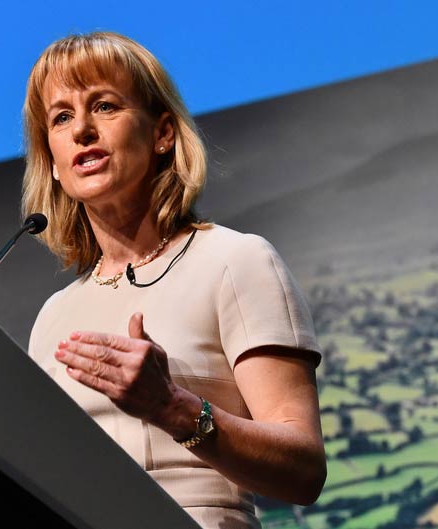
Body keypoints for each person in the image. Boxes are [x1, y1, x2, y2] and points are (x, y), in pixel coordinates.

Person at [23, 32, 326, 529]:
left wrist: (172, 407)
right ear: (53, 164)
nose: (81, 130)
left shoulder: (235, 261)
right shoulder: (52, 317)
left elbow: (304, 471)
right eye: (61, 117)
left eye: (104, 106)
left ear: (162, 133)